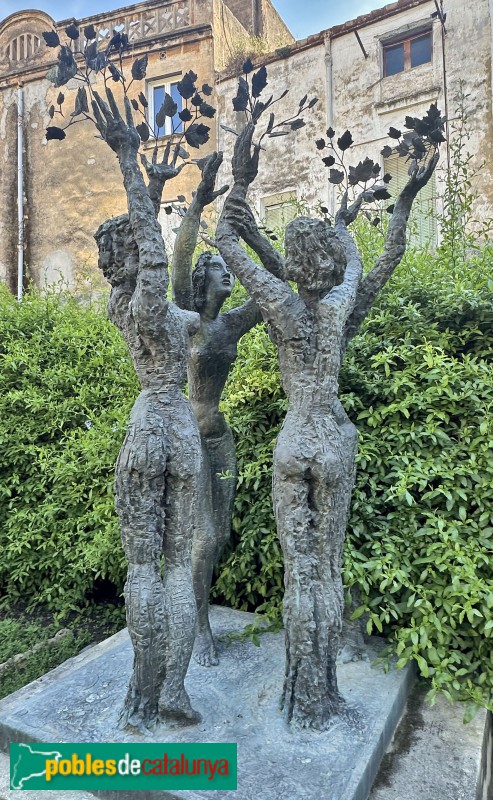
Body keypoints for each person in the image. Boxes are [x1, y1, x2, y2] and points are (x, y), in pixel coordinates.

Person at [92, 89, 203, 731]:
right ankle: (168, 693)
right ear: (138, 252)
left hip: (147, 429)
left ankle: (144, 697)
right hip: (179, 429)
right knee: (176, 566)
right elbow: (164, 272)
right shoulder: (148, 305)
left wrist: (141, 173)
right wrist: (132, 167)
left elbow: (178, 297)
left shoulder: (128, 311)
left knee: (146, 566)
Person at [172, 152, 284, 666]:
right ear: (202, 283)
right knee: (203, 533)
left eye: (226, 271)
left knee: (217, 535)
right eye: (219, 271)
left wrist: (252, 239)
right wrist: (197, 203)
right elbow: (179, 259)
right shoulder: (188, 320)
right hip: (188, 437)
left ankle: (197, 614)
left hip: (220, 438)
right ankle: (195, 625)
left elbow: (276, 286)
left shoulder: (231, 324)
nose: (228, 279)